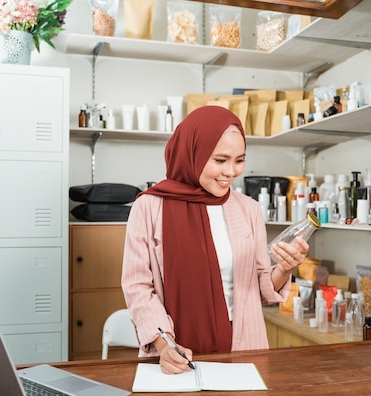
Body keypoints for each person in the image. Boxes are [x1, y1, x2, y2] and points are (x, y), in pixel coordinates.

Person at [121, 106, 309, 374]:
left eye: (239, 160)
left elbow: (258, 286)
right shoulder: (150, 207)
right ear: (192, 153)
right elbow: (137, 285)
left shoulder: (249, 209)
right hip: (174, 350)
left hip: (244, 347)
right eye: (220, 160)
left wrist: (283, 268)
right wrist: (165, 345)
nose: (231, 172)